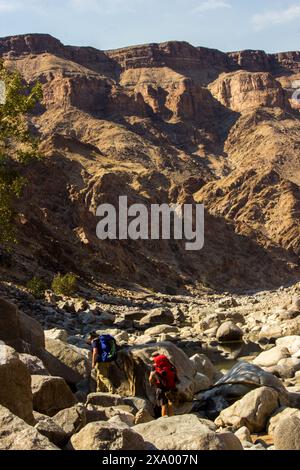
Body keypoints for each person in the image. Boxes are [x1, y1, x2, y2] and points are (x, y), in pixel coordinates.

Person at [149, 352, 179, 417]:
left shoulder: (154, 366)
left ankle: (164, 419)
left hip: (161, 388)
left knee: (164, 405)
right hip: (171, 386)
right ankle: (172, 417)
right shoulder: (168, 363)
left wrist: (153, 383)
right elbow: (175, 373)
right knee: (170, 403)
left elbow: (150, 378)